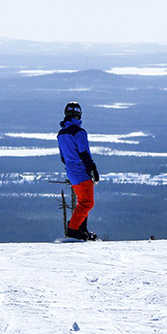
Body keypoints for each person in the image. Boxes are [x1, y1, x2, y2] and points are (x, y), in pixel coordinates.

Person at [57, 102, 100, 240]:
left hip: (71, 171)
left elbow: (63, 156)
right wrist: (92, 168)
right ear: (79, 114)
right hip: (81, 171)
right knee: (88, 202)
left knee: (82, 202)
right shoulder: (79, 132)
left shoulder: (61, 134)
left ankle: (82, 229)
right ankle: (73, 229)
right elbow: (84, 152)